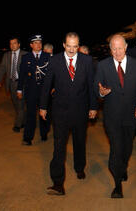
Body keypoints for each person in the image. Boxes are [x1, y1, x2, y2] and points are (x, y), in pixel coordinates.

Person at [39, 32, 98, 195]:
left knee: (79, 142)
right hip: (60, 112)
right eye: (69, 46)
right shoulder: (55, 61)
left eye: (75, 46)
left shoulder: (87, 61)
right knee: (59, 147)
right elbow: (46, 85)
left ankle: (80, 168)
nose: (72, 50)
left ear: (78, 46)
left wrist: (93, 106)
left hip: (80, 111)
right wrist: (43, 106)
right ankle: (58, 183)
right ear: (63, 45)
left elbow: (92, 85)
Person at [94, 34, 136, 198]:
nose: (117, 52)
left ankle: (122, 167)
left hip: (131, 116)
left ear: (125, 48)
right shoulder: (103, 66)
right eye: (114, 49)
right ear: (110, 50)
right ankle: (117, 185)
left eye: (120, 48)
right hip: (112, 117)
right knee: (116, 149)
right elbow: (97, 87)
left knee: (127, 148)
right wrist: (101, 93)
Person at [17, 35, 51, 145]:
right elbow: (22, 74)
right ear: (31, 45)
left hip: (44, 91)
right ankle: (28, 137)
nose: (38, 45)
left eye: (40, 42)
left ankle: (44, 133)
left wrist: (53, 87)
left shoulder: (47, 56)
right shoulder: (26, 57)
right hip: (31, 91)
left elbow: (52, 74)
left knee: (44, 114)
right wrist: (19, 89)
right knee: (30, 115)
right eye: (35, 43)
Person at [0, 37, 27, 132]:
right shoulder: (6, 55)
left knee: (21, 104)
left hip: (22, 84)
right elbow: (2, 68)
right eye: (10, 44)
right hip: (11, 83)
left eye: (14, 43)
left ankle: (17, 125)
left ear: (19, 44)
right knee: (16, 104)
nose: (12, 45)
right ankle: (23, 121)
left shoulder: (25, 55)